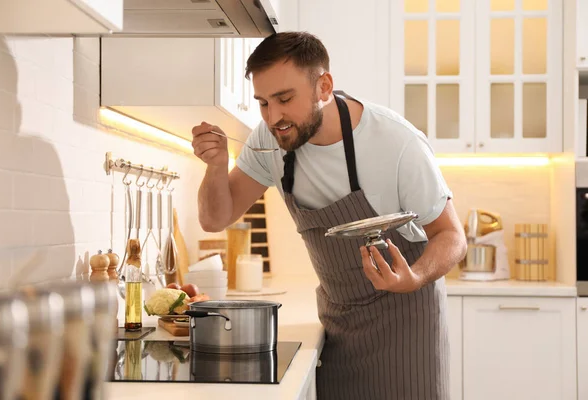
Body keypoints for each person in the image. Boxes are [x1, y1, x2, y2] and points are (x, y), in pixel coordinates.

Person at [191, 31, 467, 400]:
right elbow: (215, 218)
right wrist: (216, 166)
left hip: (405, 319)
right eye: (263, 103)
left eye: (285, 99)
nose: (274, 117)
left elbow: (452, 235)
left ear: (324, 86)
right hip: (337, 323)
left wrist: (414, 276)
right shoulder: (270, 139)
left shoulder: (396, 143)